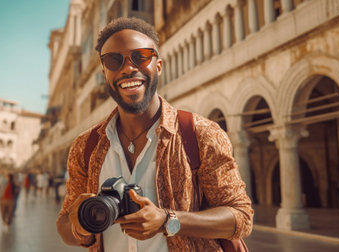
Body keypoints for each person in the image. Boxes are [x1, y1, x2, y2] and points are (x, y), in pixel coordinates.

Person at [56, 17, 253, 251]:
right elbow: (64, 225)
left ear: (158, 65)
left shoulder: (201, 134)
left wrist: (168, 220)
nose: (128, 68)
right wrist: (81, 224)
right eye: (113, 60)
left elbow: (241, 217)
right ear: (105, 71)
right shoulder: (85, 146)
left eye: (141, 57)